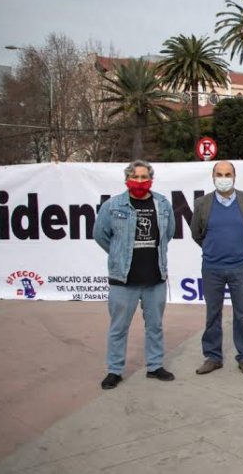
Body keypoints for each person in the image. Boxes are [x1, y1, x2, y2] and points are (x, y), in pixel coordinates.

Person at [94, 160, 176, 389]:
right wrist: (119, 254)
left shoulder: (162, 204)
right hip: (123, 280)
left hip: (154, 278)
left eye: (144, 177)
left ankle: (155, 365)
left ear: (150, 179)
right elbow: (100, 234)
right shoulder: (113, 205)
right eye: (135, 177)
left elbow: (168, 234)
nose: (140, 181)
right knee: (119, 327)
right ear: (127, 179)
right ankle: (114, 370)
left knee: (155, 326)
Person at [190, 161, 243, 376]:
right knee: (213, 314)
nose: (224, 178)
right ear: (213, 177)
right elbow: (197, 233)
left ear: (235, 176)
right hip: (211, 268)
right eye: (219, 174)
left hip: (240, 267)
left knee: (242, 314)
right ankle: (213, 357)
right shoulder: (202, 203)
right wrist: (214, 249)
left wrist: (240, 248)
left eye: (227, 174)